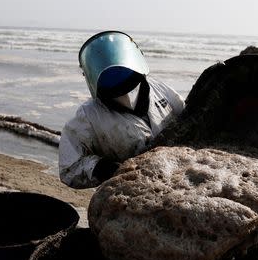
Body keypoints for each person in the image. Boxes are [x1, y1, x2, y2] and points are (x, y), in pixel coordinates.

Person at [58, 30, 185, 189]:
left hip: (179, 181)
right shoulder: (89, 116)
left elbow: (189, 119)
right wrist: (103, 168)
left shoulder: (162, 90)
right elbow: (69, 168)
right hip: (128, 192)